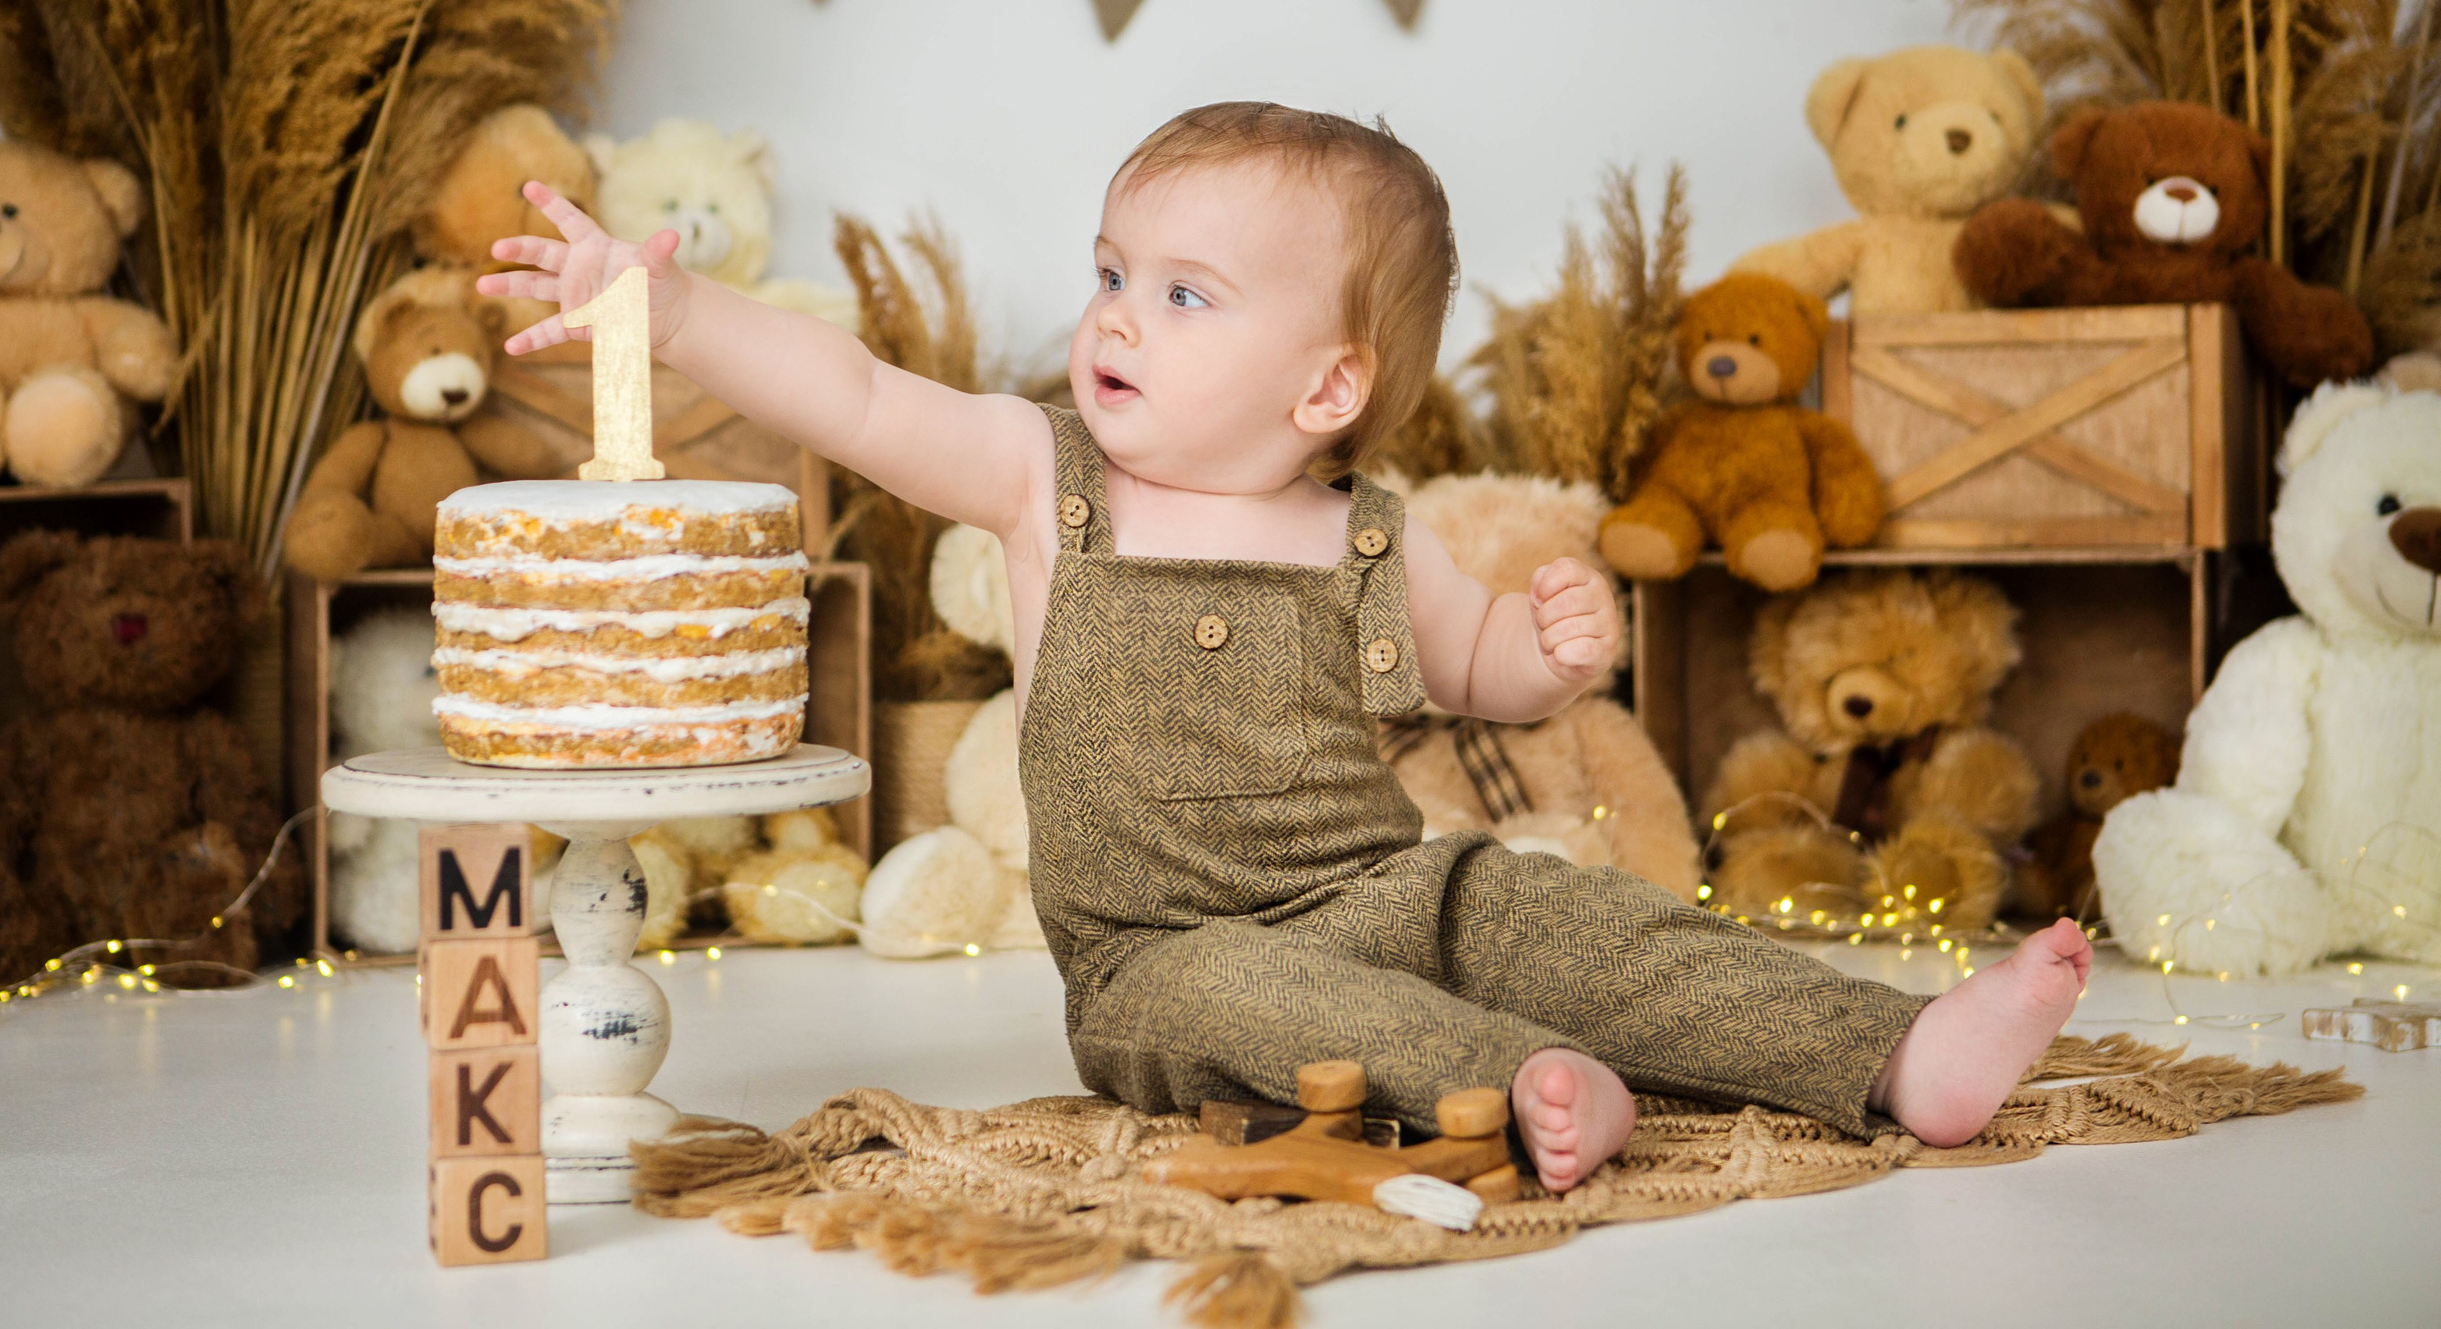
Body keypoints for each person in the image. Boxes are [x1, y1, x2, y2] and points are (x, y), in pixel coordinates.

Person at [483, 101, 2090, 1189]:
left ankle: (1894, 1056)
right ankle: (1526, 1079)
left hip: (1389, 889)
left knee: (1583, 920)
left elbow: (1481, 680)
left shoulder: (1367, 530)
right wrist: (672, 314)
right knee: (1271, 1009)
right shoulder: (1047, 486)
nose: (1114, 316)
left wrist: (1556, 653)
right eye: (1112, 273)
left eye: (1184, 296)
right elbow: (859, 397)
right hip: (1156, 955)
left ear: (1326, 388)